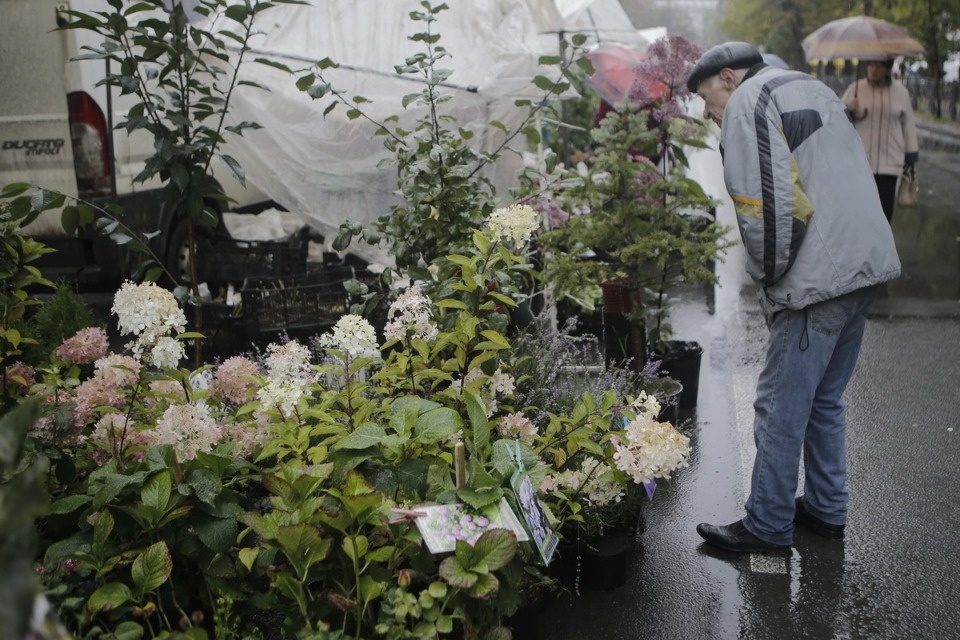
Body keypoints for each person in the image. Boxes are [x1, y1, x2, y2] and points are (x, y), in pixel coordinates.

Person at [685, 42, 901, 555]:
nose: (707, 110)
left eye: (706, 96)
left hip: (817, 280)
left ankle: (767, 524)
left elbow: (770, 207)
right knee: (824, 401)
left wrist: (769, 280)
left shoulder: (747, 103)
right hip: (863, 262)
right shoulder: (809, 86)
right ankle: (827, 508)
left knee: (780, 406)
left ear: (730, 78)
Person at [841, 59, 919, 222]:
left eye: (879, 65)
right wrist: (847, 108)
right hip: (860, 163)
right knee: (859, 215)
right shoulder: (855, 88)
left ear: (887, 68)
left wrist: (911, 156)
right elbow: (836, 120)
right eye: (871, 64)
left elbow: (909, 125)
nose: (873, 69)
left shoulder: (901, 93)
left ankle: (881, 248)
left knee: (884, 217)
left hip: (889, 164)